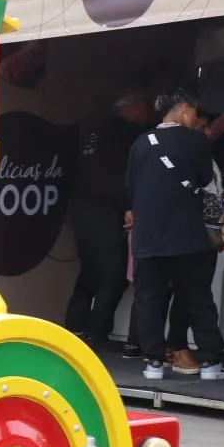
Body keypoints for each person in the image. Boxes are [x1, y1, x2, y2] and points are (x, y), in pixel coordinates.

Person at [125, 89, 224, 381]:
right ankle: (211, 363)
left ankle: (153, 362)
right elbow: (204, 183)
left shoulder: (140, 144)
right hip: (187, 235)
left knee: (149, 299)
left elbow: (130, 187)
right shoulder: (195, 141)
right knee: (198, 297)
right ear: (185, 109)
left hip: (148, 236)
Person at [67, 93, 150, 346]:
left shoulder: (96, 131)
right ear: (135, 107)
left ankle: (73, 328)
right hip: (106, 211)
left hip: (81, 210)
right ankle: (97, 333)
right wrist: (127, 206)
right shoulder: (125, 133)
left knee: (89, 271)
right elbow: (118, 174)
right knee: (113, 274)